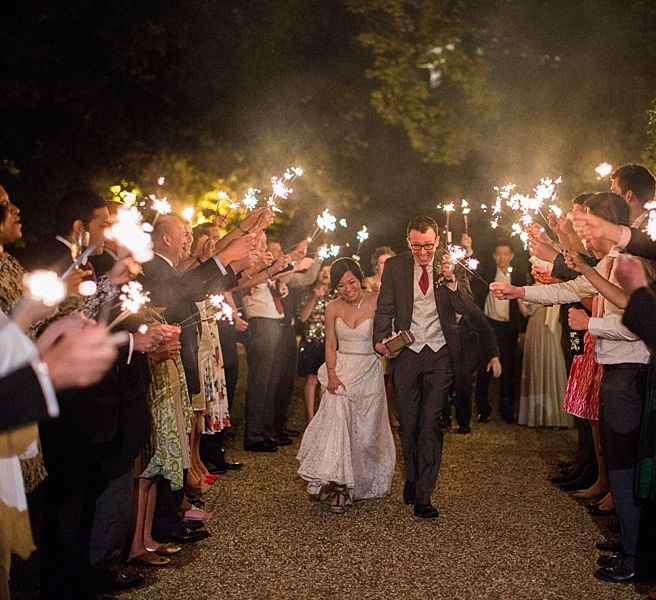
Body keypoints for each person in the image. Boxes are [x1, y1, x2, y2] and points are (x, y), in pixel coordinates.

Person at [490, 192, 650, 583]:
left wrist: (589, 326)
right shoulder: (610, 262)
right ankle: (630, 543)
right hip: (614, 369)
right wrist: (519, 292)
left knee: (626, 467)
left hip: (630, 371)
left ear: (607, 224)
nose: (586, 239)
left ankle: (636, 554)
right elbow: (569, 290)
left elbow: (636, 320)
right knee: (618, 464)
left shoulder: (633, 262)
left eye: (588, 228)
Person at [373, 216, 487, 519]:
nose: (423, 253)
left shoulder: (452, 264)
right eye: (416, 246)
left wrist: (450, 282)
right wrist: (379, 339)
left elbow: (467, 307)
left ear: (437, 241)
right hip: (407, 351)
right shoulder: (395, 266)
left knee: (430, 422)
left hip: (441, 353)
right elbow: (385, 305)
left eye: (428, 246)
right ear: (407, 241)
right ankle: (412, 475)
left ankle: (424, 494)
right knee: (408, 424)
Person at [297, 258, 395, 513]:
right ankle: (340, 486)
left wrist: (388, 346)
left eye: (351, 282)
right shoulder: (332, 307)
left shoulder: (377, 300)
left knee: (364, 430)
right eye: (341, 285)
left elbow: (389, 333)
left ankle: (360, 480)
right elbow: (330, 343)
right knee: (338, 416)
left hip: (369, 369)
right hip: (340, 369)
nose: (347, 289)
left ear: (359, 279)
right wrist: (331, 375)